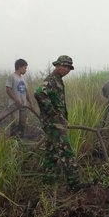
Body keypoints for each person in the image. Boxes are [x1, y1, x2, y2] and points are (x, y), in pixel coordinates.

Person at [34, 55, 80, 189]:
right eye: (64, 66)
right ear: (57, 65)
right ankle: (74, 183)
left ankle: (48, 182)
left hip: (55, 122)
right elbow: (39, 93)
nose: (67, 70)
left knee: (51, 152)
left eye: (69, 68)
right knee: (67, 152)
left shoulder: (58, 80)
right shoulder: (51, 80)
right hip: (54, 123)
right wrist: (53, 113)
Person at [6, 59, 33, 138]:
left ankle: (20, 140)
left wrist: (30, 103)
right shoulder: (12, 76)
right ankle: (13, 141)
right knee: (15, 122)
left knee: (22, 122)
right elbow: (8, 89)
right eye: (25, 68)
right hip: (15, 105)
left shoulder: (23, 79)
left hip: (23, 105)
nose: (26, 70)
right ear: (19, 67)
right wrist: (16, 100)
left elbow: (26, 91)